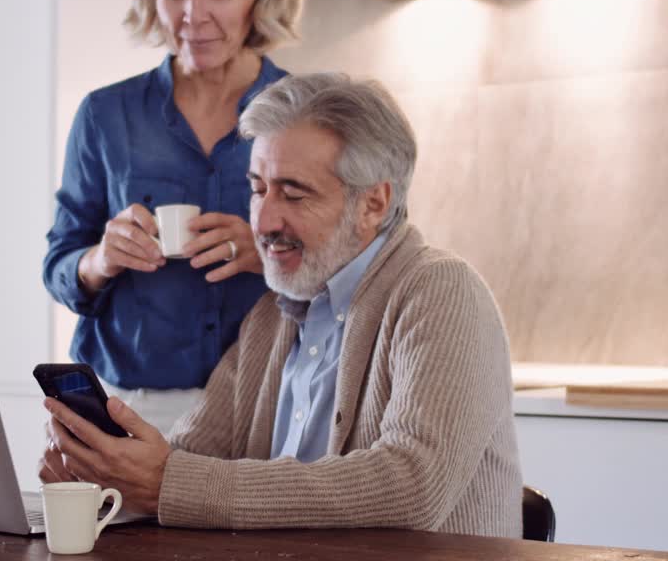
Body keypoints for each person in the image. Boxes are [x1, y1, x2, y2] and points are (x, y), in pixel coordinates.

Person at [40, 73, 523, 537]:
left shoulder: (441, 290)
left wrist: (168, 482)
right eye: (256, 189)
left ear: (373, 204)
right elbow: (186, 455)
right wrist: (108, 476)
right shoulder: (274, 314)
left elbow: (414, 484)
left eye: (293, 193)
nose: (264, 219)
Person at [42, 0, 305, 433]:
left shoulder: (308, 114)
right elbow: (61, 264)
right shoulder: (105, 115)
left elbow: (360, 270)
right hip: (125, 407)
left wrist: (265, 254)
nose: (193, 14)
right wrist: (102, 259)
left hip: (266, 409)